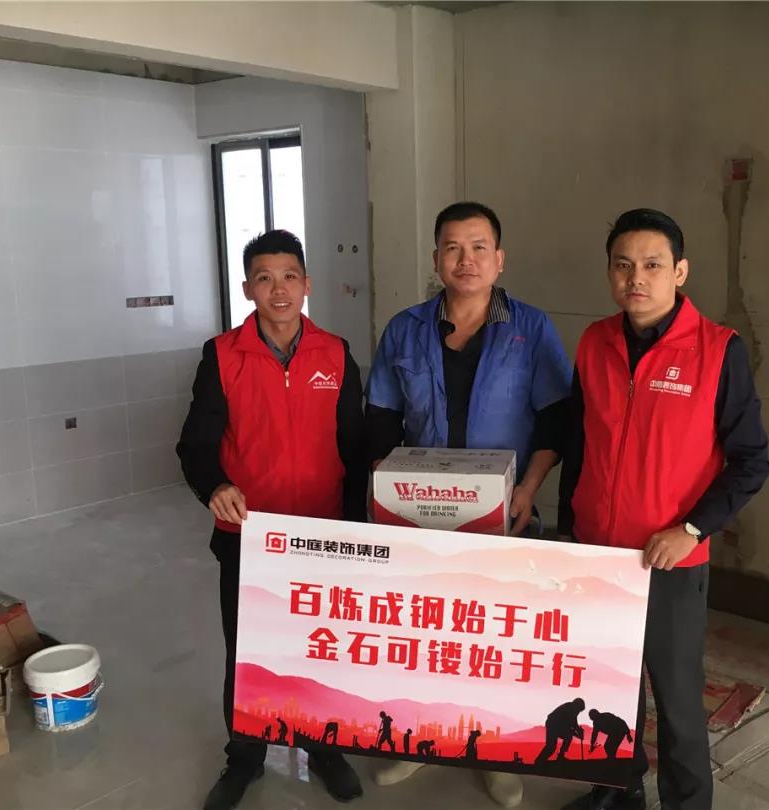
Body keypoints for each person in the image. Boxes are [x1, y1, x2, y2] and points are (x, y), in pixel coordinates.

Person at [558, 209, 769, 810]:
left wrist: (691, 530)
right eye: (623, 265)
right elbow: (580, 441)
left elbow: (751, 461)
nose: (636, 278)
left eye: (652, 265)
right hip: (598, 552)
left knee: (677, 701)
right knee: (608, 688)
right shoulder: (594, 342)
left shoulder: (718, 351)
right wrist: (569, 529)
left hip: (669, 560)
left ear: (679, 272)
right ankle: (617, 791)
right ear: (609, 273)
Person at [366, 201, 572, 807]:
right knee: (426, 636)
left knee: (492, 643)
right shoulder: (404, 329)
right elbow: (380, 420)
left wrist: (528, 491)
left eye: (479, 247)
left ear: (500, 259)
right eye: (453, 248)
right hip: (420, 515)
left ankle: (494, 752)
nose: (466, 259)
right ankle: (419, 740)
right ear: (436, 259)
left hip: (502, 516)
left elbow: (558, 422)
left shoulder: (531, 330)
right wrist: (388, 490)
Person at [177, 230, 367, 810]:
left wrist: (357, 530)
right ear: (247, 289)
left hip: (322, 534)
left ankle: (324, 748)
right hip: (250, 538)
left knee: (319, 649)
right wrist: (214, 486)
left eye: (289, 277)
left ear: (307, 285)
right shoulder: (221, 355)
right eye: (264, 278)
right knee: (250, 652)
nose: (278, 290)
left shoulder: (336, 353)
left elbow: (354, 448)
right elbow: (195, 444)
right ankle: (245, 757)